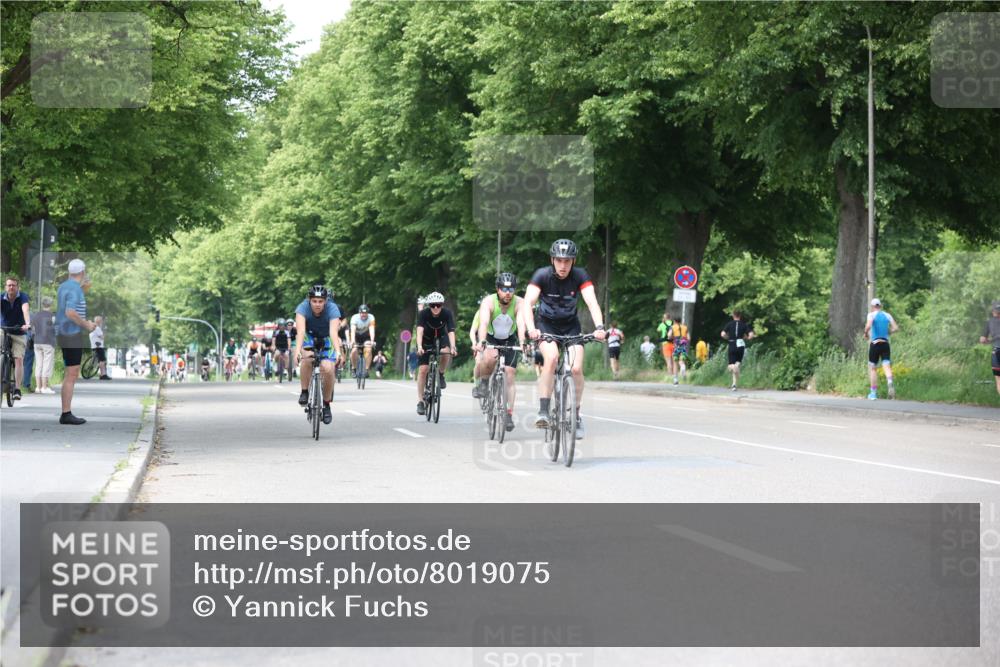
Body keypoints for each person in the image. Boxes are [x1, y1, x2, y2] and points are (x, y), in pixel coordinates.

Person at [523, 239, 607, 439]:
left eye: (567, 261)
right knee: (551, 358)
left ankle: (576, 415)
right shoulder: (542, 275)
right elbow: (528, 303)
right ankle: (543, 410)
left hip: (571, 327)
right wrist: (531, 329)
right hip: (546, 325)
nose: (563, 266)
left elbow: (592, 302)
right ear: (552, 260)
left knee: (576, 368)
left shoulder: (580, 275)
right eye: (559, 261)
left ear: (573, 261)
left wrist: (600, 327)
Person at [473, 272, 527, 432]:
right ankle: (483, 382)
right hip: (491, 338)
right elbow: (483, 323)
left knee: (510, 374)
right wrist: (482, 342)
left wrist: (523, 341)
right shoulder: (488, 302)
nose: (508, 293)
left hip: (510, 339)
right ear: (498, 289)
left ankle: (508, 414)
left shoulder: (519, 303)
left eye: (511, 289)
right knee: (489, 358)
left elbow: (521, 323)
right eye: (504, 289)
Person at [294, 284, 343, 424]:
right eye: (314, 301)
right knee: (307, 359)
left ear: (326, 301)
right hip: (308, 336)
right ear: (309, 300)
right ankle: (304, 391)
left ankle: (326, 405)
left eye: (320, 301)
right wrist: (298, 351)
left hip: (326, 338)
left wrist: (338, 352)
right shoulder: (302, 308)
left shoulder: (333, 309)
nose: (317, 304)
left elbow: (334, 332)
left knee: (328, 369)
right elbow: (301, 331)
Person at [55, 259, 96, 424]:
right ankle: (66, 414)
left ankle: (66, 412)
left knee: (69, 372)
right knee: (72, 373)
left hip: (62, 332)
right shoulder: (75, 290)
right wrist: (87, 324)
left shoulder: (64, 287)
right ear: (83, 272)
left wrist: (82, 291)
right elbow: (70, 312)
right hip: (71, 333)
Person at [415, 291, 456, 415]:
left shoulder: (447, 313)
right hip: (426, 339)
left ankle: (441, 374)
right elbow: (419, 331)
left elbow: (451, 331)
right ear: (429, 306)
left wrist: (453, 347)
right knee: (423, 370)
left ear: (442, 305)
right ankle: (420, 401)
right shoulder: (423, 314)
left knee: (446, 351)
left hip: (440, 337)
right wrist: (419, 346)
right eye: (433, 305)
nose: (436, 308)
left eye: (438, 305)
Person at [1, 275, 32, 399]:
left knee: (19, 359)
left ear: (18, 287)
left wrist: (27, 324)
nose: (11, 287)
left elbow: (26, 310)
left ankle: (17, 389)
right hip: (3, 329)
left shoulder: (23, 297)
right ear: (5, 287)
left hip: (19, 331)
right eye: (9, 285)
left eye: (13, 285)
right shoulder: (1, 297)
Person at [864, 298, 900, 400]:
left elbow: (868, 326)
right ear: (880, 305)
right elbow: (896, 328)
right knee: (886, 365)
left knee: (873, 368)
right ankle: (890, 382)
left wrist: (866, 333)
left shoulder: (871, 315)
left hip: (875, 344)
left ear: (872, 307)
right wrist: (889, 332)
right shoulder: (887, 315)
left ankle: (873, 393)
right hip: (885, 343)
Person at [721, 309, 754, 391]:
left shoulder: (729, 324)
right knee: (737, 363)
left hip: (732, 344)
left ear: (733, 315)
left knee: (730, 365)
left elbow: (723, 334)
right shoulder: (744, 325)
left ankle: (735, 370)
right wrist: (748, 338)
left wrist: (728, 338)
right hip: (741, 345)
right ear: (740, 316)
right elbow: (751, 334)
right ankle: (734, 385)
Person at [31, 296, 57, 394]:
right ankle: (45, 387)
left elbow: (32, 328)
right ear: (50, 305)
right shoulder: (52, 316)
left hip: (37, 342)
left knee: (38, 364)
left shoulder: (36, 315)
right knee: (47, 364)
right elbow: (56, 329)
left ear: (42, 304)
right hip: (48, 342)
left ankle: (38, 387)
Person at [349, 304, 376, 377]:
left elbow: (371, 330)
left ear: (367, 313)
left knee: (368, 349)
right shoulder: (354, 318)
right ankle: (354, 369)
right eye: (362, 313)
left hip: (365, 335)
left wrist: (372, 341)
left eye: (365, 313)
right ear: (359, 313)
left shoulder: (371, 317)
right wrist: (352, 341)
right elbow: (353, 331)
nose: (364, 315)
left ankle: (367, 370)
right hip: (356, 335)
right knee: (354, 350)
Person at [980, 301, 1000, 396]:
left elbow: (982, 339)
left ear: (993, 311)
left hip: (996, 352)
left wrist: (987, 341)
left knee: (998, 379)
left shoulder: (989, 322)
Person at [89, 315, 111, 380]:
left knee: (101, 360)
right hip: (99, 347)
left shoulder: (92, 328)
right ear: (99, 321)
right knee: (102, 360)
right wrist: (104, 335)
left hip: (94, 346)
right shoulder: (97, 328)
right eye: (101, 320)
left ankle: (103, 374)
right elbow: (101, 337)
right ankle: (103, 375)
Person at [670, 318, 689, 385]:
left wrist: (672, 337)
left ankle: (675, 379)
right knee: (681, 360)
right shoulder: (685, 327)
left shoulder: (672, 327)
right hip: (683, 346)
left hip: (676, 346)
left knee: (675, 362)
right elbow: (688, 338)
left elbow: (669, 335)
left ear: (674, 321)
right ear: (680, 321)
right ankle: (682, 367)